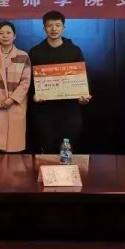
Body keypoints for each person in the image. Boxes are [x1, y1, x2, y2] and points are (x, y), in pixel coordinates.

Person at [29, 11, 92, 153]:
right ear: (44, 28)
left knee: (69, 149)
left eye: (57, 25)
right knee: (48, 150)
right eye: (50, 25)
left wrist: (83, 96)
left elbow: (83, 77)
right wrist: (33, 96)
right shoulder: (35, 52)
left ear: (63, 27)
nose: (54, 29)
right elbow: (29, 81)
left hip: (70, 110)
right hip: (45, 111)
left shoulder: (74, 50)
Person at [0, 21, 31, 153]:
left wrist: (11, 99)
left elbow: (25, 82)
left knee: (13, 148)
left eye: (8, 33)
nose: (5, 36)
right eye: (1, 33)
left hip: (14, 105)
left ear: (15, 36)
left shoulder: (23, 56)